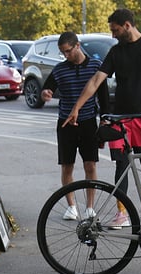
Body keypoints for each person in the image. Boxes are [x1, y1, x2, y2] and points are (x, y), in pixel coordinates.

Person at [64, 8, 141, 230]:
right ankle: (122, 213)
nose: (113, 35)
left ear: (127, 25)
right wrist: (76, 108)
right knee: (121, 165)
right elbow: (95, 81)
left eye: (115, 30)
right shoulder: (116, 52)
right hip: (121, 117)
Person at [42, 31, 109, 220]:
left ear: (77, 46)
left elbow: (103, 98)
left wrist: (104, 120)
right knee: (67, 166)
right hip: (65, 123)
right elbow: (47, 89)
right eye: (63, 53)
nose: (66, 56)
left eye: (68, 51)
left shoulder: (96, 66)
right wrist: (45, 93)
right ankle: (71, 206)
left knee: (90, 164)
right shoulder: (59, 69)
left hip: (88, 122)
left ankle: (90, 207)